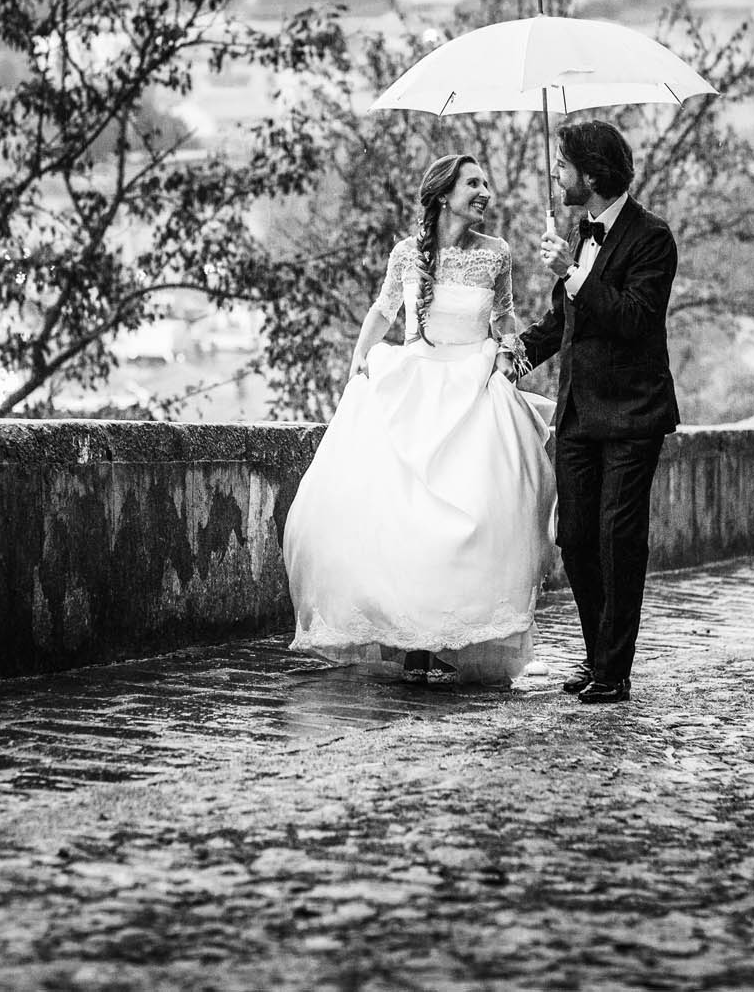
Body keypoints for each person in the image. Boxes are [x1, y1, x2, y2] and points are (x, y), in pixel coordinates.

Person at [282, 154, 555, 685]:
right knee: (404, 517)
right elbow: (383, 311)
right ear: (442, 194)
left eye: (485, 183)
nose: (484, 192)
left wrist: (509, 359)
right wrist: (360, 362)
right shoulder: (407, 254)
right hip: (414, 385)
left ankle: (452, 634)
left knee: (475, 517)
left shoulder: (495, 254)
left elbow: (504, 318)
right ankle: (412, 643)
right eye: (472, 183)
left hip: (473, 389)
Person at [505, 120, 680, 705]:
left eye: (563, 166)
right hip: (578, 413)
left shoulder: (653, 238)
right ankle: (597, 651)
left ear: (592, 174)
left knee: (617, 538)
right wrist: (516, 355)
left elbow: (633, 318)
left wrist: (572, 273)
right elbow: (565, 322)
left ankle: (614, 667)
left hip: (634, 415)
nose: (556, 175)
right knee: (576, 539)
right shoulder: (580, 235)